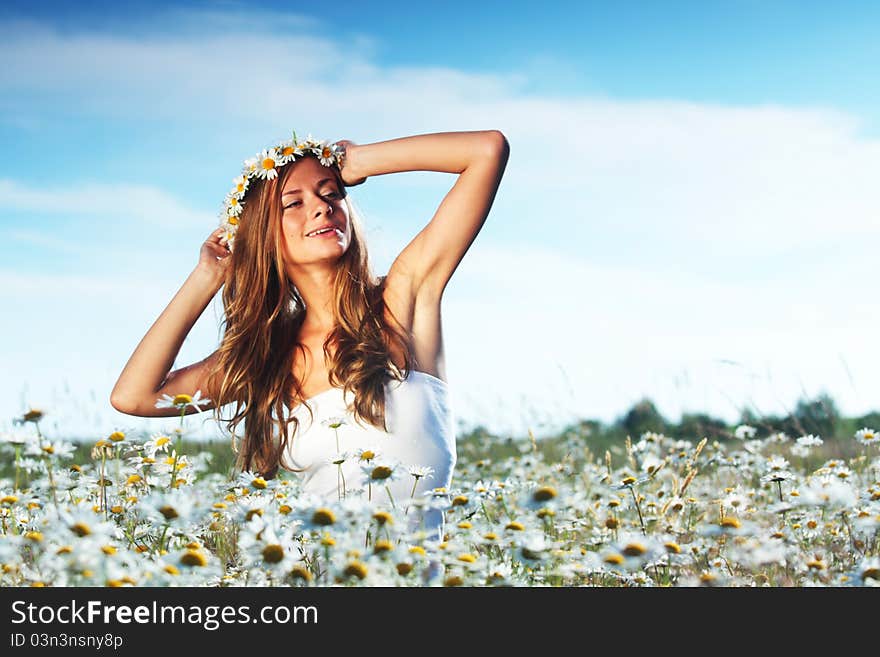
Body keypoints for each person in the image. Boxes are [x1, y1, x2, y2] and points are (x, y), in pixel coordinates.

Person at [110, 130, 510, 542]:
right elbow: (135, 396)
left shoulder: (402, 304)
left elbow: (485, 150)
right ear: (265, 235)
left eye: (331, 194)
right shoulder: (267, 356)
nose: (321, 208)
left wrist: (357, 162)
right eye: (294, 203)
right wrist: (205, 278)